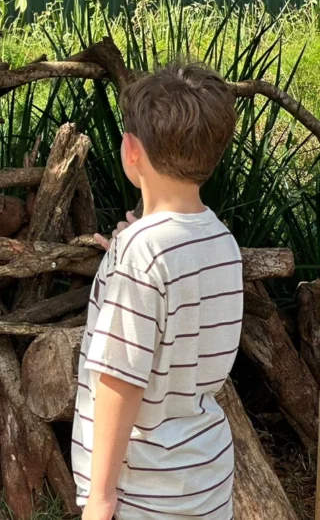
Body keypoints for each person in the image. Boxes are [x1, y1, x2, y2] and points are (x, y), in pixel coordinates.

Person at [75, 64, 241, 520]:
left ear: (131, 150)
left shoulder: (141, 254)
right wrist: (129, 250)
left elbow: (121, 381)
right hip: (204, 481)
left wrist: (100, 498)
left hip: (142, 492)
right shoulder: (222, 241)